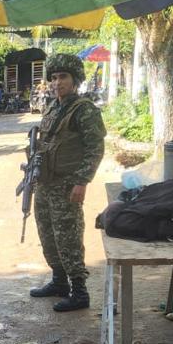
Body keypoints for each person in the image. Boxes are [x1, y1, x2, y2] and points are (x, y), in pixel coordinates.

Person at [29, 53, 106, 312]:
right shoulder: (52, 107)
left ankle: (79, 292)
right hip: (46, 183)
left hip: (67, 184)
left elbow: (95, 148)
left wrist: (82, 181)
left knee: (68, 238)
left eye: (62, 77)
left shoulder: (84, 110)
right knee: (47, 235)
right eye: (53, 77)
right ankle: (59, 281)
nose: (56, 82)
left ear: (75, 80)